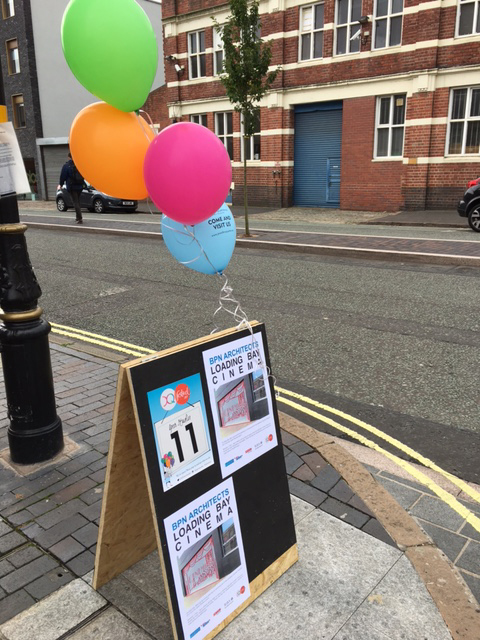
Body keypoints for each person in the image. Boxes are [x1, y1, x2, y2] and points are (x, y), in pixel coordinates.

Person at [58, 152, 84, 224]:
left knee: (75, 202)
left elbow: (63, 176)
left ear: (69, 157)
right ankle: (77, 217)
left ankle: (79, 218)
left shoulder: (66, 166)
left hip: (72, 187)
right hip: (80, 186)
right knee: (77, 201)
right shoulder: (79, 164)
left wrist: (61, 184)